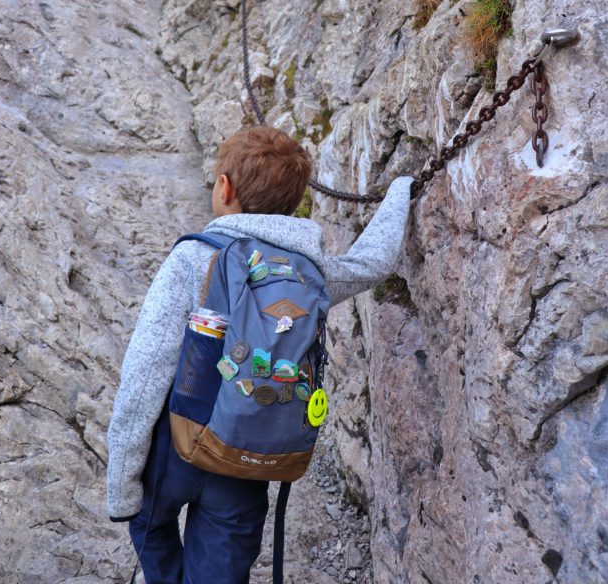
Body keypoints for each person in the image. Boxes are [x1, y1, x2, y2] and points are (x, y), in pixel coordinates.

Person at [107, 125, 413, 584]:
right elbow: (372, 263)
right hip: (246, 457)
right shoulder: (305, 273)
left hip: (175, 447)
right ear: (292, 205)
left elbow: (145, 371)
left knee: (151, 531)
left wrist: (123, 480)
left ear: (224, 188)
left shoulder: (194, 259)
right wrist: (401, 191)